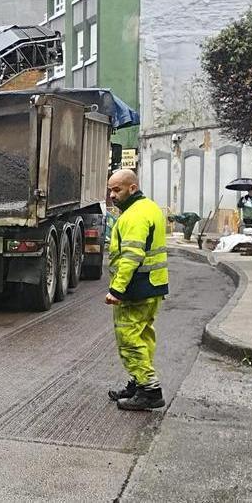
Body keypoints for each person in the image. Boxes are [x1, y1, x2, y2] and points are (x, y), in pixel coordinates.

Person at [104, 169, 170, 411]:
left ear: (132, 188)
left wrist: (116, 289)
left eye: (117, 189)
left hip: (136, 287)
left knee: (129, 338)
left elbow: (131, 256)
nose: (112, 195)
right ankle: (138, 384)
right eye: (110, 189)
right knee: (143, 335)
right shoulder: (150, 207)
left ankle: (150, 390)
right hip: (153, 285)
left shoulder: (133, 216)